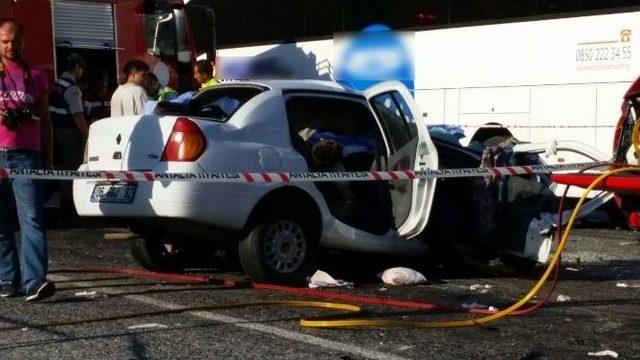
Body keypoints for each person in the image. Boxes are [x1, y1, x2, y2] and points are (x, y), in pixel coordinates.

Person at [0, 21, 55, 301]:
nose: (10, 46)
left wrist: (49, 157)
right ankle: (7, 279)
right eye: (5, 41)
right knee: (0, 221)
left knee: (31, 218)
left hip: (27, 155)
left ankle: (34, 281)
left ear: (23, 42)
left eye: (15, 41)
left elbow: (45, 119)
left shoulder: (36, 74)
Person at [49, 53, 89, 170]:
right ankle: (68, 188)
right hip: (68, 133)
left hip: (54, 131)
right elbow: (78, 115)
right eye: (82, 68)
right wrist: (87, 134)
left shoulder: (57, 83)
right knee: (72, 166)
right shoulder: (71, 87)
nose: (82, 72)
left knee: (61, 166)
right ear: (77, 67)